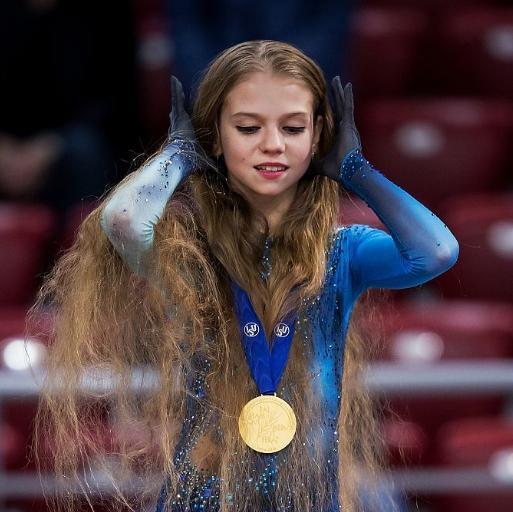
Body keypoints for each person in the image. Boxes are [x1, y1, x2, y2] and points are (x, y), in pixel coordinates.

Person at [33, 41, 458, 512]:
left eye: (293, 127)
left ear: (318, 136)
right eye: (248, 127)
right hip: (201, 498)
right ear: (215, 136)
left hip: (311, 498)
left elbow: (435, 252)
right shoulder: (187, 248)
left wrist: (355, 170)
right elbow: (124, 221)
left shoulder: (342, 252)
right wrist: (178, 153)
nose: (273, 144)